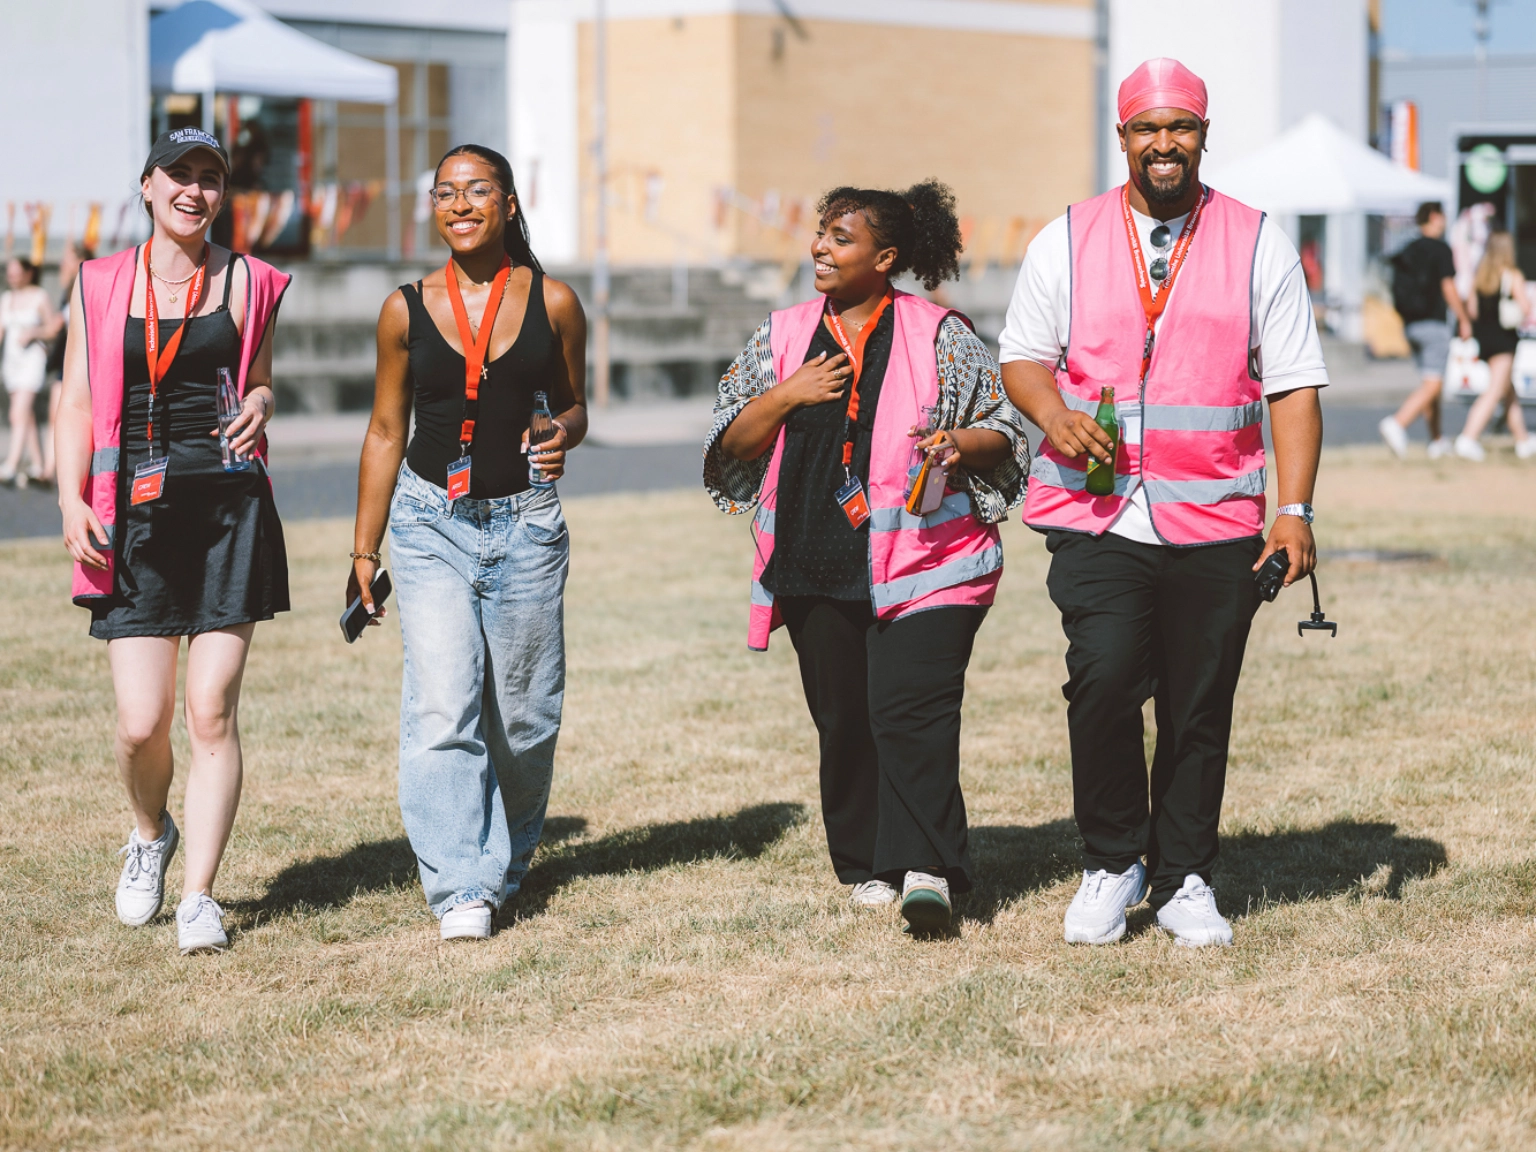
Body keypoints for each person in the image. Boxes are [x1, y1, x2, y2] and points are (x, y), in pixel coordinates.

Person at [999, 59, 1327, 947]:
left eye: (1180, 126)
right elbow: (1022, 358)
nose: (1164, 144)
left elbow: (1293, 387)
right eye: (1148, 128)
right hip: (1095, 514)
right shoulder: (1063, 237)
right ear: (1123, 138)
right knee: (1101, 681)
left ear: (1204, 134)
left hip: (1216, 518)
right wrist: (1054, 416)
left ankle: (1183, 875)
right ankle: (1113, 860)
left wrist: (1293, 511)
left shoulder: (1257, 239)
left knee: (1198, 702)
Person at [705, 181, 1030, 936]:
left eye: (840, 237)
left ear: (885, 259)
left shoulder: (941, 333)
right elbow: (731, 443)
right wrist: (788, 394)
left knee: (910, 712)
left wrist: (957, 443)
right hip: (815, 559)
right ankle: (865, 864)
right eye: (821, 233)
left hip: (927, 562)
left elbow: (1005, 431)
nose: (820, 246)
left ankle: (928, 869)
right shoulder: (783, 334)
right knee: (844, 720)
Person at [54, 128, 291, 954]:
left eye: (210, 178)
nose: (194, 190)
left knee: (210, 710)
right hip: (136, 518)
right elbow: (75, 401)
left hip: (230, 508)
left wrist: (262, 400)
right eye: (179, 176)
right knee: (139, 723)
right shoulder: (99, 282)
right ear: (147, 186)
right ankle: (151, 832)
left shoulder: (252, 280)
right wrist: (68, 499)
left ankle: (199, 900)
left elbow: (260, 376)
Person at [349, 144, 588, 942]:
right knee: (442, 705)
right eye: (445, 192)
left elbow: (575, 406)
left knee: (523, 718)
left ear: (508, 204)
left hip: (526, 523)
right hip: (428, 525)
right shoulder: (402, 308)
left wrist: (560, 433)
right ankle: (460, 887)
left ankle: (506, 864)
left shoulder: (553, 301)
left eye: (477, 190)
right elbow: (386, 431)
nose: (459, 204)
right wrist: (363, 552)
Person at [1379, 202, 1474, 460]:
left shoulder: (1409, 249)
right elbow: (1448, 288)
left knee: (1431, 382)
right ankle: (1397, 423)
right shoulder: (1440, 249)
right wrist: (1464, 318)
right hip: (1433, 324)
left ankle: (1437, 440)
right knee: (1433, 385)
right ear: (1434, 217)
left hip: (1411, 325)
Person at [1453, 228, 1534, 461]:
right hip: (1504, 339)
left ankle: (1523, 441)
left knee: (1508, 391)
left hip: (1485, 338)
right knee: (1496, 390)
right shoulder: (1512, 275)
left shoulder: (1480, 276)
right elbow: (1526, 309)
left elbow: (1472, 310)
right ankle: (1467, 438)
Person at [1, 256, 58, 486]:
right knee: (27, 416)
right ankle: (37, 464)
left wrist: (34, 333)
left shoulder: (40, 296)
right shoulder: (6, 298)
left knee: (17, 413)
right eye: (9, 273)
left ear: (28, 273)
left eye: (16, 273)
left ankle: (11, 465)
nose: (12, 277)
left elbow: (53, 328)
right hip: (12, 362)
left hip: (32, 361)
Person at [40, 241, 92, 486]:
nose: (63, 263)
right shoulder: (69, 287)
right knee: (55, 415)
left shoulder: (88, 284)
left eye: (67, 258)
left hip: (84, 363)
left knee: (74, 416)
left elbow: (58, 325)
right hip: (66, 361)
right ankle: (50, 468)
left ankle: (65, 471)